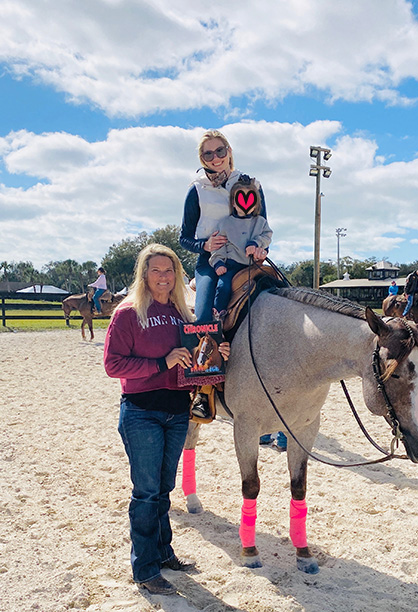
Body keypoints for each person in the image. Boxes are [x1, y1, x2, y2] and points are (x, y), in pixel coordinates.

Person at [104, 244, 230, 595]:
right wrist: (161, 362)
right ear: (144, 274)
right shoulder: (128, 313)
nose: (163, 276)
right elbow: (113, 365)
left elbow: (193, 360)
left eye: (169, 270)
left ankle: (163, 553)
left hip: (177, 411)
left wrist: (215, 352)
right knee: (146, 493)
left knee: (163, 490)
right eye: (156, 270)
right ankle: (144, 568)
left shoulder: (181, 314)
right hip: (141, 410)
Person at [179, 129, 269, 321]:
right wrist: (205, 245)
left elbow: (263, 226)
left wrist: (262, 249)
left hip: (248, 260)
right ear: (202, 158)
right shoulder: (197, 189)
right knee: (204, 318)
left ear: (229, 151)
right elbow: (184, 238)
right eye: (208, 154)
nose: (215, 158)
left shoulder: (252, 185)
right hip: (211, 262)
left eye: (220, 151)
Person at [209, 176, 273, 319]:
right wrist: (218, 262)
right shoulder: (225, 223)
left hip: (254, 265)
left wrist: (256, 243)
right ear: (234, 202)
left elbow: (267, 236)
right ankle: (218, 318)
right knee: (223, 287)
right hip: (232, 265)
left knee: (279, 282)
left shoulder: (260, 222)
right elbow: (219, 246)